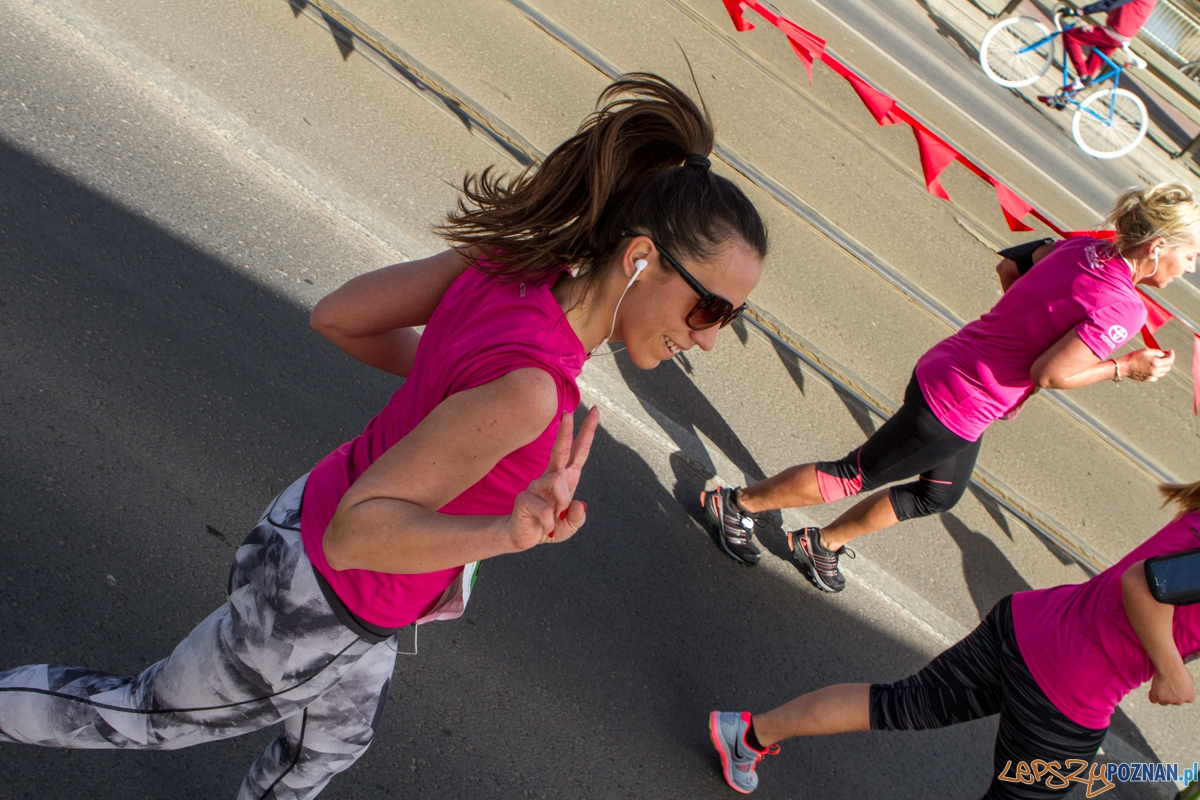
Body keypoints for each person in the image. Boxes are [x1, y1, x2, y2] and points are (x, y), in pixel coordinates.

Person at [0, 74, 768, 799]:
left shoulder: (510, 266)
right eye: (711, 311)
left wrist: (452, 405)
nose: (706, 341)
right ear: (641, 258)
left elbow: (340, 316)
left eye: (729, 322)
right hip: (326, 602)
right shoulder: (535, 394)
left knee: (330, 743)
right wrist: (505, 531)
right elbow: (358, 536)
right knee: (141, 717)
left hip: (300, 528)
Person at [703, 182, 1197, 592]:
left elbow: (1010, 269)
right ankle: (736, 505)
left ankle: (820, 544)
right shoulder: (1125, 306)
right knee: (852, 474)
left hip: (953, 373)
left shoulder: (1082, 247)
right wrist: (1125, 368)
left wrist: (1018, 335)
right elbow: (1053, 374)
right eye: (1191, 255)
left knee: (938, 495)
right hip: (959, 402)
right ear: (1158, 248)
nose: (1191, 268)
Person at [708, 477, 1200, 797]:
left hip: (1027, 625)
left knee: (894, 704)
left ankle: (748, 733)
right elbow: (1141, 585)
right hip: (1068, 695)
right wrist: (1172, 671)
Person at [1040, 0, 1156, 108]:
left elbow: (1109, 3)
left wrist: (1080, 11)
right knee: (1092, 65)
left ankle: (1083, 77)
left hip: (1115, 32)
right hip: (1122, 34)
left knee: (1069, 36)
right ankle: (1062, 99)